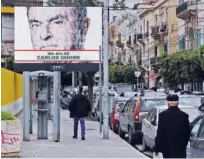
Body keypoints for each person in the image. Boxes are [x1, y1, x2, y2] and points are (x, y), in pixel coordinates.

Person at [153, 94, 191, 158]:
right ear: (178, 102)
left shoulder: (163, 115)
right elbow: (187, 132)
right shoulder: (184, 116)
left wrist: (156, 148)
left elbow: (160, 133)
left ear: (167, 102)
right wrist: (184, 144)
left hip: (167, 149)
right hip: (180, 148)